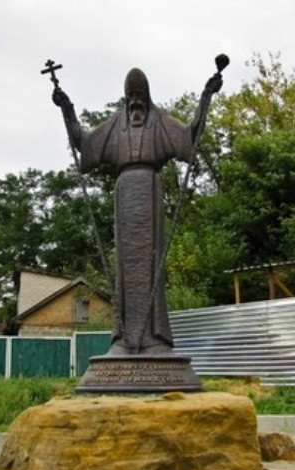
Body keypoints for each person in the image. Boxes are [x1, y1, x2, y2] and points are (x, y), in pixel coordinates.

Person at [53, 67, 223, 355]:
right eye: (130, 95)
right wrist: (67, 108)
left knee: (151, 262)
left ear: (147, 96)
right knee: (125, 266)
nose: (135, 101)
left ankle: (154, 339)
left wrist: (206, 97)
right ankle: (124, 339)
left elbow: (188, 137)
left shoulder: (161, 122)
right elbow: (84, 142)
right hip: (124, 192)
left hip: (150, 189)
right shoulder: (113, 126)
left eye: (139, 95)